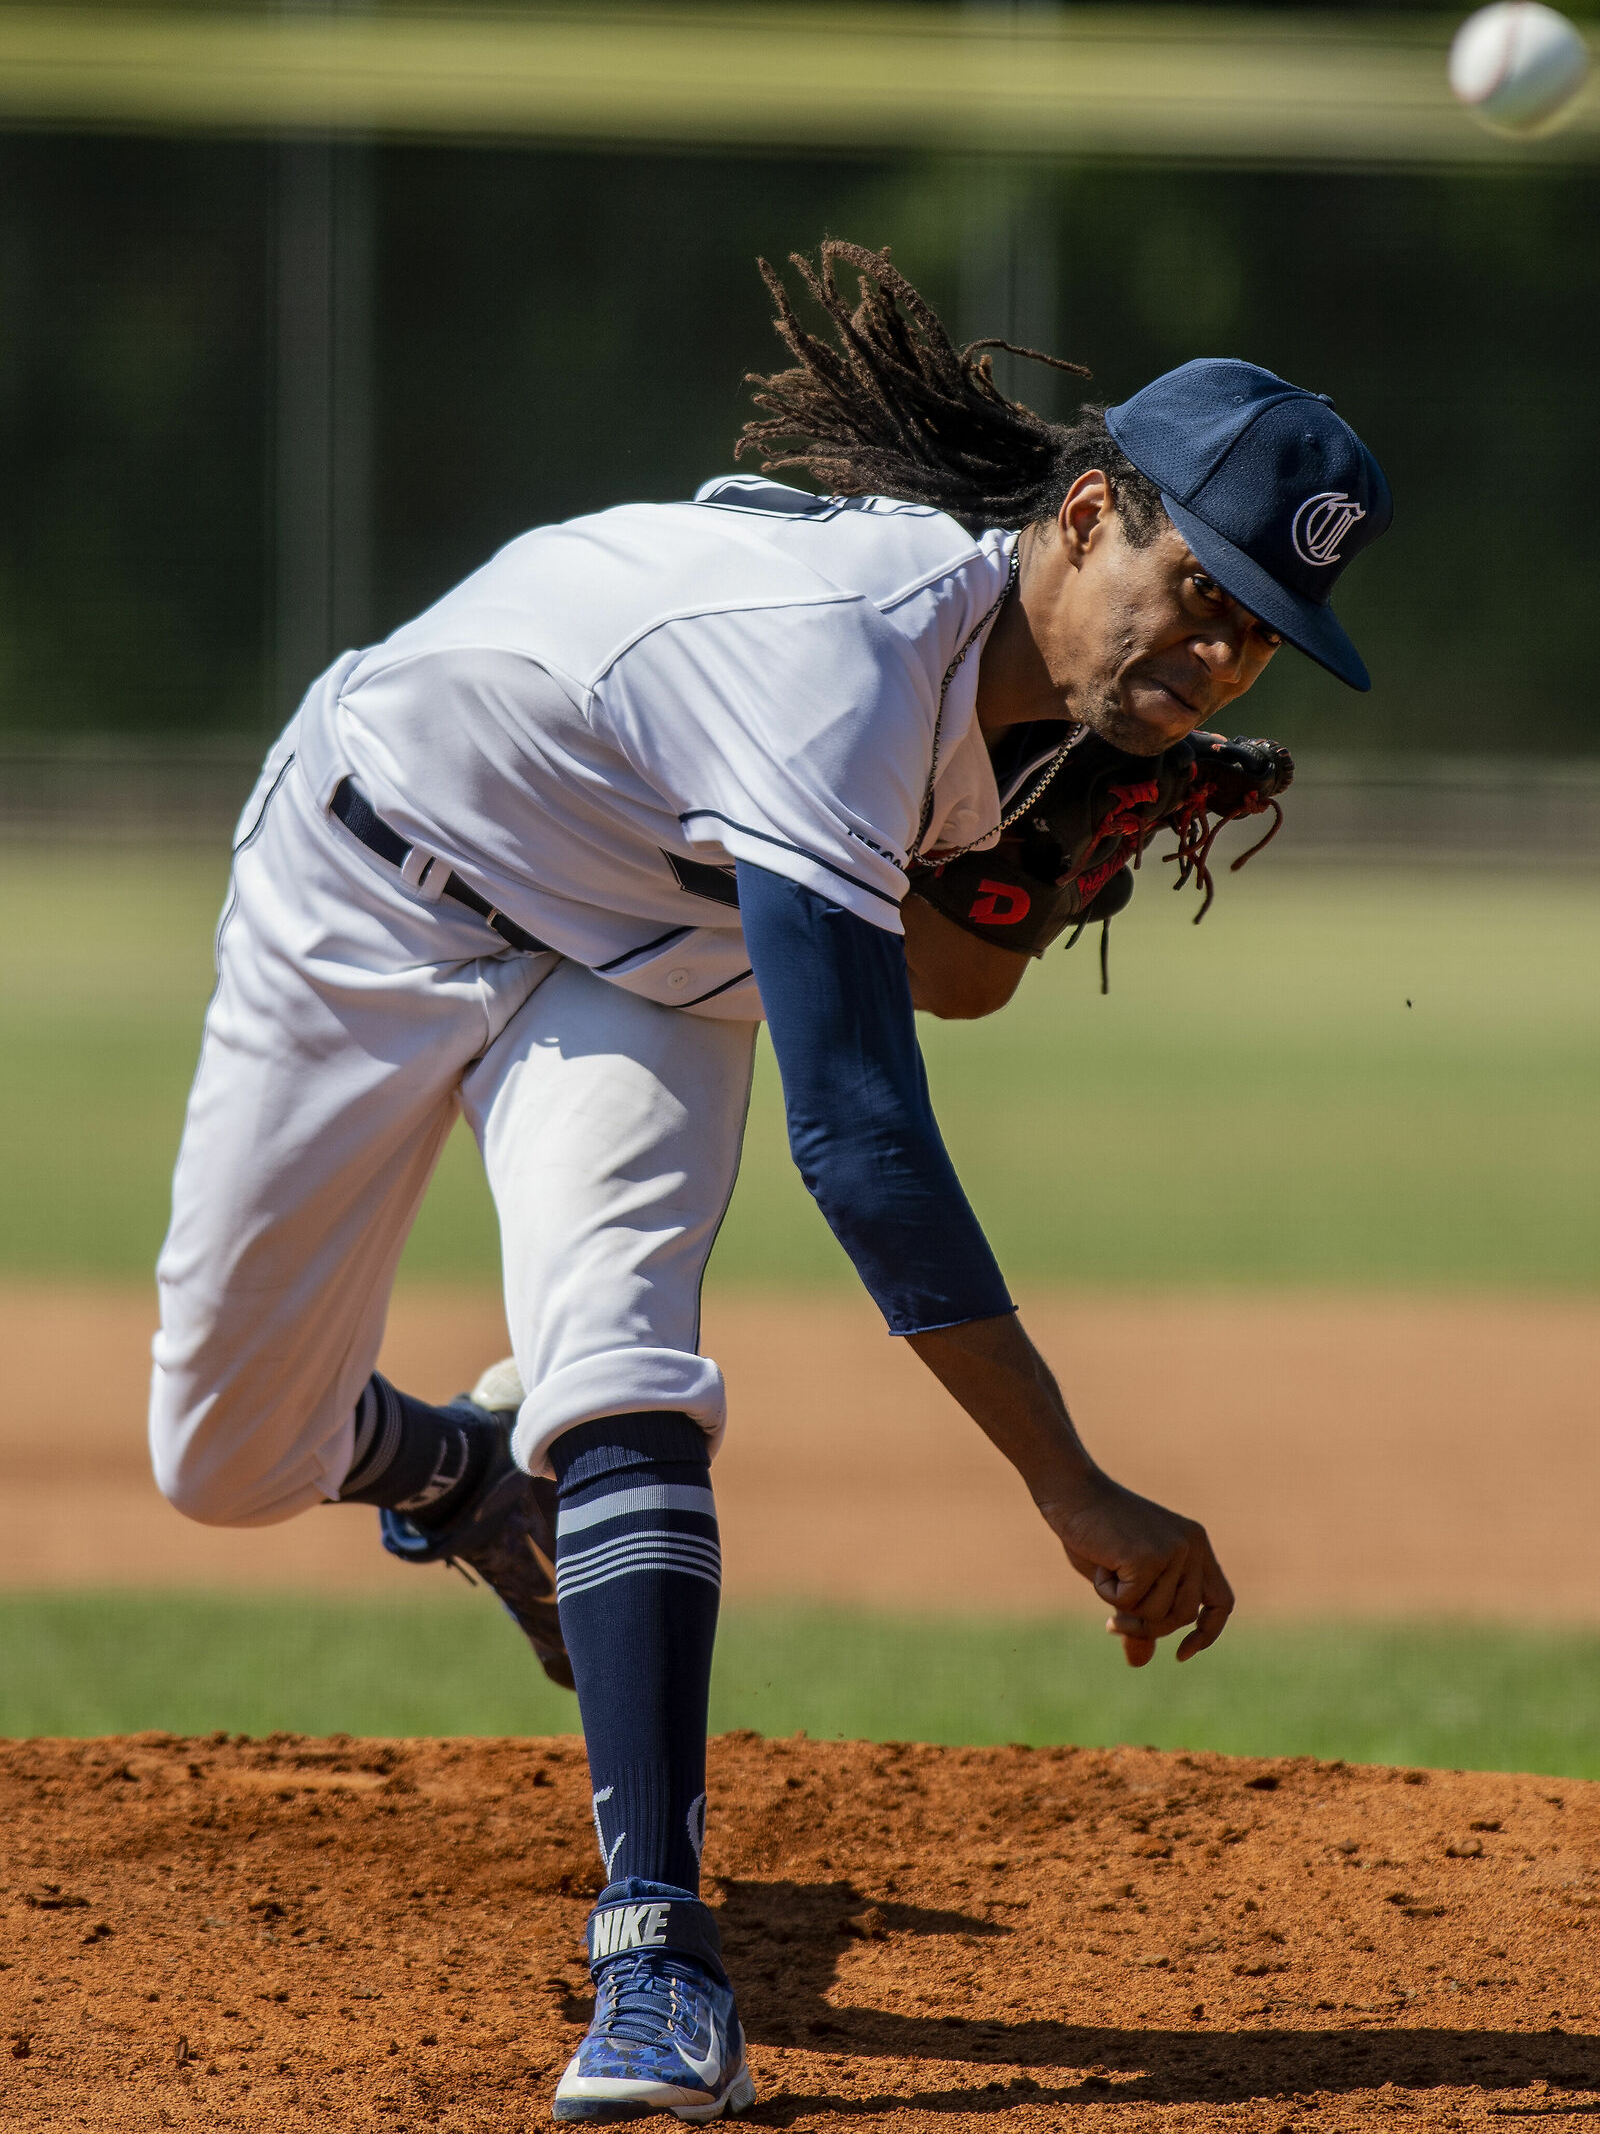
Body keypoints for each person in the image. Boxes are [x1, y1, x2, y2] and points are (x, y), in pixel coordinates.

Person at [151, 242, 1392, 2122]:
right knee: (224, 1462)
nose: (1213, 657)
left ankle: (658, 1963)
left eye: (1253, 636)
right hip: (372, 887)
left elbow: (954, 976)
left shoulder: (1018, 706)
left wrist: (1042, 874)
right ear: (1082, 519)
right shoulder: (834, 658)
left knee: (628, 1363)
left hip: (635, 961)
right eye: (1193, 588)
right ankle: (465, 1476)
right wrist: (1071, 1482)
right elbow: (865, 1145)